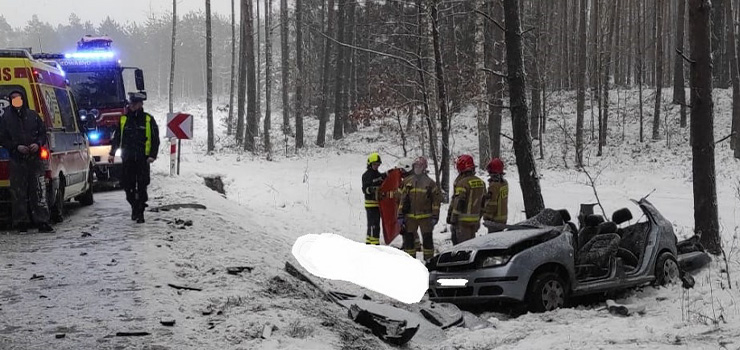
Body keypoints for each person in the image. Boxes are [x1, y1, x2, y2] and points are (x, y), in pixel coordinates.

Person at [0, 91, 53, 233]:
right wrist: (16, 147)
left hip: (34, 160)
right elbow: (3, 138)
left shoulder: (33, 116)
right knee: (18, 193)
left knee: (39, 191)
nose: (16, 101)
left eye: (18, 98)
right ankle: (21, 222)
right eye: (12, 98)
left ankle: (42, 221)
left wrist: (37, 144)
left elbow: (43, 134)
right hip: (17, 159)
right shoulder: (6, 118)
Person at [109, 93, 160, 223]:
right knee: (127, 185)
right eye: (131, 104)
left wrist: (152, 155)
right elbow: (117, 137)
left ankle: (140, 211)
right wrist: (112, 153)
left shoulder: (148, 119)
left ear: (140, 105)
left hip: (143, 159)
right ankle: (134, 206)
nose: (132, 106)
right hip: (128, 159)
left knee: (142, 186)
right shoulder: (124, 119)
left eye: (134, 104)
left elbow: (155, 139)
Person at [397, 157, 441, 260]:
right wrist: (400, 215)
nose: (417, 168)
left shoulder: (430, 183)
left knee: (427, 241)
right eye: (415, 166)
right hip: (410, 218)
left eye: (419, 166)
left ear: (424, 168)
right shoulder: (407, 181)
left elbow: (436, 201)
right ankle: (410, 262)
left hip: (426, 218)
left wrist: (435, 216)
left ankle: (429, 262)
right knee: (409, 242)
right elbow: (402, 200)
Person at [447, 154, 486, 244]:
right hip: (475, 220)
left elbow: (458, 202)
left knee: (462, 247)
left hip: (462, 222)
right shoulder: (481, 183)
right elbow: (484, 202)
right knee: (472, 245)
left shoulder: (462, 183)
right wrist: (479, 216)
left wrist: (452, 218)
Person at [362, 152, 385, 245]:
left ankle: (372, 241)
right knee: (373, 225)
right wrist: (372, 189)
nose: (377, 166)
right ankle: (372, 243)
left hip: (377, 204)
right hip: (370, 204)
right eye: (375, 164)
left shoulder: (378, 174)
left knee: (376, 224)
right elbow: (365, 189)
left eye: (378, 165)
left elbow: (382, 179)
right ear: (370, 164)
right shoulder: (366, 175)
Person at [482, 158, 509, 232]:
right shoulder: (504, 183)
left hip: (495, 220)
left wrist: (487, 217)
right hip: (503, 218)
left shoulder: (494, 186)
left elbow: (492, 203)